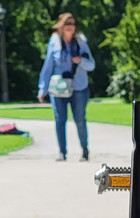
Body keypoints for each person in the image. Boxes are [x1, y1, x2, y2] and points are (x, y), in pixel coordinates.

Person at [38, 13, 96, 162]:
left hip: (79, 87)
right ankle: (62, 152)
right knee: (60, 120)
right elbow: (48, 67)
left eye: (72, 23)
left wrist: (80, 61)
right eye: (67, 23)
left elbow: (91, 65)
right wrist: (42, 89)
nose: (70, 26)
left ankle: (84, 150)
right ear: (61, 26)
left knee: (80, 120)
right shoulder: (54, 42)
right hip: (59, 88)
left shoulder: (81, 42)